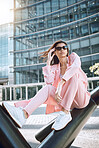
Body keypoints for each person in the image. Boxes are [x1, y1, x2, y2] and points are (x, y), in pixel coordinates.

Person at [2, 40, 90, 131]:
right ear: (55, 52)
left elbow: (75, 67)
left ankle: (65, 113)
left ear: (67, 50)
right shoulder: (56, 68)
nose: (62, 50)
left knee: (73, 75)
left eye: (64, 47)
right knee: (47, 88)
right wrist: (48, 63)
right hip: (69, 101)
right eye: (58, 48)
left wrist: (61, 83)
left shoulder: (74, 58)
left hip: (81, 99)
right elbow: (49, 82)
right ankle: (24, 114)